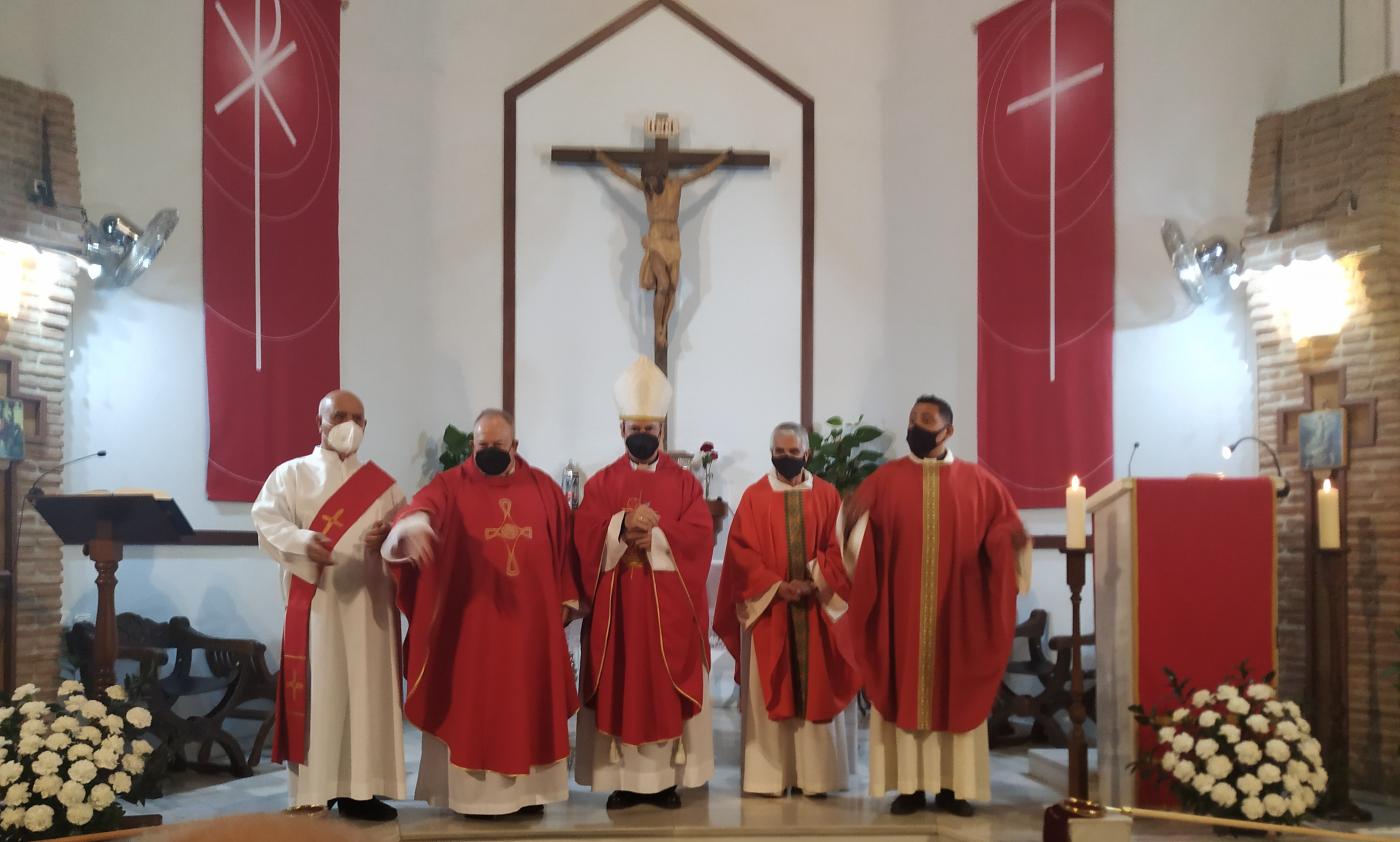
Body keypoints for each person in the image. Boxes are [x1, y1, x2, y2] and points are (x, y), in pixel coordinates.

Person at [382, 409, 579, 818]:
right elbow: (419, 509)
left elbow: (564, 549)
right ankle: (470, 797)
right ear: (472, 445)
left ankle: (529, 794)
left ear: (515, 446)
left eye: (498, 446)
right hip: (469, 627)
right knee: (472, 706)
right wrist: (412, 527)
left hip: (531, 628)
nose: (488, 452)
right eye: (481, 445)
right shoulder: (450, 486)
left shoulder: (545, 489)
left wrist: (565, 598)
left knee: (529, 706)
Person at [842, 395, 1031, 816]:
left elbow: (1004, 534)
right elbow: (856, 541)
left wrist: (1008, 544)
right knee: (904, 686)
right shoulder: (885, 480)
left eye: (926, 420)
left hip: (958, 617)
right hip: (902, 617)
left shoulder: (980, 483)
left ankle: (954, 788)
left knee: (955, 689)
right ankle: (908, 787)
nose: (916, 426)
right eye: (912, 419)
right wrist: (855, 525)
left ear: (949, 431)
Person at [251, 390, 405, 821]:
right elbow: (265, 519)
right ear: (319, 421)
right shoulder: (291, 475)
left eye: (358, 418)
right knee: (324, 691)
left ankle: (361, 789)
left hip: (370, 605)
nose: (349, 425)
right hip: (316, 607)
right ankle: (318, 787)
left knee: (365, 691)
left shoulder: (385, 484)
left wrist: (389, 538)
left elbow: (405, 532)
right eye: (340, 415)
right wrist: (303, 541)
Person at [574, 357, 715, 809]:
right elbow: (585, 533)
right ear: (621, 430)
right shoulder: (602, 483)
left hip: (666, 613)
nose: (642, 436)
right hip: (619, 613)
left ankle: (665, 782)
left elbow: (699, 537)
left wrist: (655, 534)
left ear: (661, 434)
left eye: (650, 430)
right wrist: (620, 525)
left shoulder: (686, 484)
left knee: (662, 687)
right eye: (634, 429)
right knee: (620, 686)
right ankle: (621, 782)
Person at [713, 422, 859, 797]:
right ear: (771, 453)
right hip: (772, 612)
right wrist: (779, 586)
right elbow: (741, 554)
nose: (786, 459)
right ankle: (770, 777)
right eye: (780, 452)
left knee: (817, 685)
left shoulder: (827, 495)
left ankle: (817, 778)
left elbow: (841, 549)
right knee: (772, 687)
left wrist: (813, 577)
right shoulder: (754, 497)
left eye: (794, 453)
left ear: (807, 454)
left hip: (816, 609)